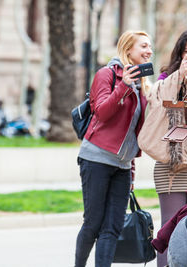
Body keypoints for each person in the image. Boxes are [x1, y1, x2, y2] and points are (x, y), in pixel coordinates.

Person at [74, 30, 152, 267]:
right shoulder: (106, 74)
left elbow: (131, 132)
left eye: (150, 47)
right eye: (144, 47)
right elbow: (103, 113)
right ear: (128, 49)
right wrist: (124, 86)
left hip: (122, 165)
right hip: (96, 158)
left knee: (113, 226)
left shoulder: (141, 86)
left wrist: (131, 169)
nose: (149, 51)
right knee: (93, 223)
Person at [143, 29, 187, 267]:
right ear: (180, 54)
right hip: (170, 167)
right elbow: (157, 108)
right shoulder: (165, 80)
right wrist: (180, 79)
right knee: (170, 232)